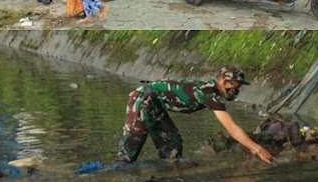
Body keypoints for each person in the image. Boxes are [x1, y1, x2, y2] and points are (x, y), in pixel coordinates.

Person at [114, 66, 273, 166]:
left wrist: (251, 147)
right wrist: (258, 149)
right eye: (235, 87)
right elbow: (231, 128)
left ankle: (169, 176)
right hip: (144, 99)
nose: (235, 92)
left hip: (156, 104)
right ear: (224, 82)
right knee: (130, 148)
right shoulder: (209, 94)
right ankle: (117, 178)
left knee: (173, 147)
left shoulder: (211, 91)